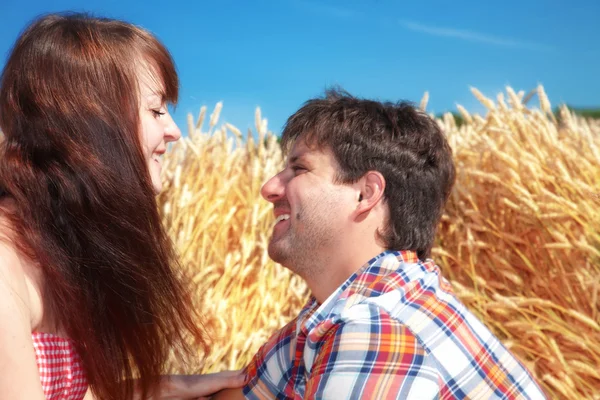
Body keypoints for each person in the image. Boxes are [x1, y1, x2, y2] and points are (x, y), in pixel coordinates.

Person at [214, 90, 545, 399]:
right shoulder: (333, 313)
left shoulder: (377, 326)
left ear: (366, 194)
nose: (269, 187)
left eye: (298, 168)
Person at [0, 13, 243, 399]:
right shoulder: (4, 265)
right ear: (90, 121)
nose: (174, 131)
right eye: (156, 110)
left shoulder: (54, 247)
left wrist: (166, 386)